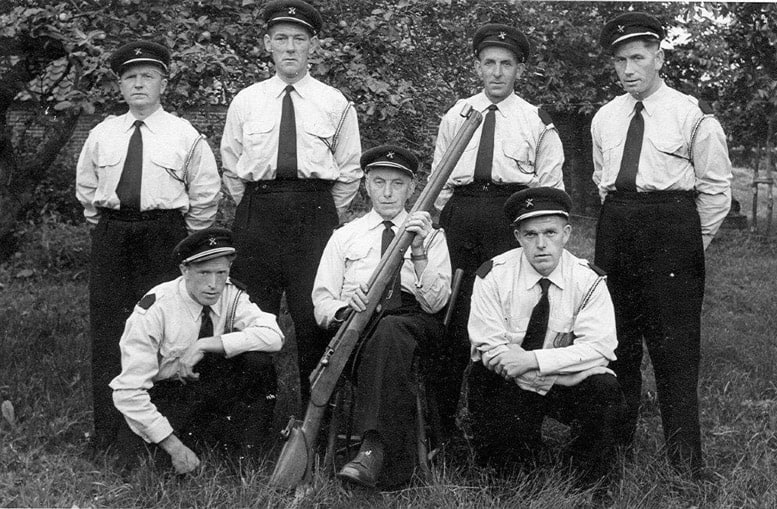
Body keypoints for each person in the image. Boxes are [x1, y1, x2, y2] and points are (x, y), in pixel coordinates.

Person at [591, 12, 732, 476]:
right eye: (620, 61)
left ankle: (685, 461)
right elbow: (602, 180)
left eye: (637, 57)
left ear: (659, 57)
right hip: (618, 225)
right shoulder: (606, 117)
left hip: (672, 231)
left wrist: (688, 246)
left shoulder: (692, 115)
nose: (628, 70)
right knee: (616, 344)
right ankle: (615, 450)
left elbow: (716, 191)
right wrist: (623, 223)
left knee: (676, 350)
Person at [75, 40, 220, 452]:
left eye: (148, 76)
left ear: (163, 83)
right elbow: (87, 189)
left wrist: (178, 237)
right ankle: (109, 434)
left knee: (164, 329)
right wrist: (111, 227)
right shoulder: (103, 133)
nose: (139, 84)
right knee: (110, 330)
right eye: (130, 77)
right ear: (120, 85)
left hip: (164, 236)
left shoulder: (184, 134)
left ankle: (162, 433)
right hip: (114, 234)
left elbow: (205, 193)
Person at [220, 0, 362, 400]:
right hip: (257, 214)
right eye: (281, 38)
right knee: (251, 318)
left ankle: (315, 419)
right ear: (267, 44)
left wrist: (321, 210)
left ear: (312, 46)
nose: (289, 47)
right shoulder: (246, 101)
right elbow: (232, 165)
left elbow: (350, 170)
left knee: (314, 319)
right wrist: (257, 203)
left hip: (313, 214)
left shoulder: (335, 103)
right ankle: (254, 420)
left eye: (299, 39)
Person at [431, 23, 564, 429]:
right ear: (477, 66)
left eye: (506, 64)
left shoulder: (535, 121)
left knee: (506, 315)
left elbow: (550, 187)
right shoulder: (457, 114)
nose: (497, 72)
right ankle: (442, 424)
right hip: (461, 217)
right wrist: (453, 218)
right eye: (489, 63)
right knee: (453, 316)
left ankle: (496, 422)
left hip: (508, 220)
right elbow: (439, 180)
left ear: (519, 70)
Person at [464, 187, 626, 485]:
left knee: (605, 388)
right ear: (517, 236)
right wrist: (555, 370)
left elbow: (600, 348)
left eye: (550, 233)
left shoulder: (588, 280)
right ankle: (515, 454)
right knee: (509, 476)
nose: (541, 244)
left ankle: (585, 476)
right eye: (531, 234)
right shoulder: (493, 275)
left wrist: (532, 361)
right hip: (508, 381)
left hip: (553, 382)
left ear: (566, 234)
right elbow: (490, 348)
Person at [312, 145, 452, 488]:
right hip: (358, 325)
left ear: (412, 187)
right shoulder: (345, 236)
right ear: (366, 185)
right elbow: (321, 302)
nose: (387, 192)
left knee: (392, 329)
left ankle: (373, 449)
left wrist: (418, 252)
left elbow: (436, 304)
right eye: (379, 182)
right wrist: (345, 308)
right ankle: (386, 459)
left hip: (414, 322)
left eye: (397, 184)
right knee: (385, 333)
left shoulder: (431, 236)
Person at [110, 228, 285, 474]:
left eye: (221, 273)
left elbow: (274, 336)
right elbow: (128, 391)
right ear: (185, 270)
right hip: (166, 394)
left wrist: (204, 344)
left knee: (258, 363)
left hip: (210, 387)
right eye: (204, 273)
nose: (213, 285)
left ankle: (245, 457)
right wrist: (174, 447)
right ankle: (183, 443)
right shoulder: (157, 308)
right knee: (146, 468)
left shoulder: (231, 294)